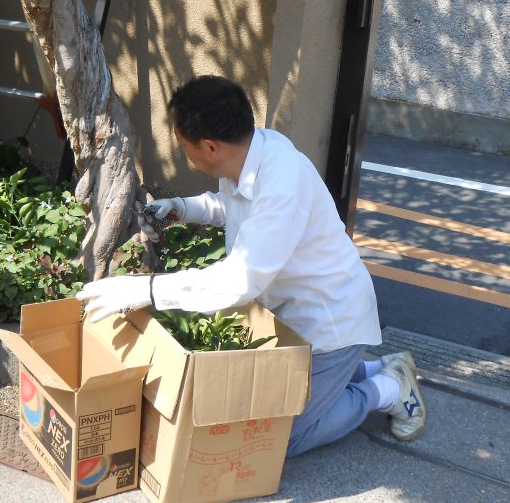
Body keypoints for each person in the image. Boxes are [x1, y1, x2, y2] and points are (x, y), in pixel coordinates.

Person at [77, 75, 427, 455]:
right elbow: (232, 206)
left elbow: (236, 282)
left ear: (210, 147)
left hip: (332, 323)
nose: (184, 152)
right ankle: (372, 369)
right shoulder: (253, 152)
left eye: (183, 145)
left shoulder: (282, 184)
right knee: (275, 402)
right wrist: (181, 209)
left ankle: (390, 388)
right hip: (293, 319)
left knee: (285, 437)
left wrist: (144, 289)